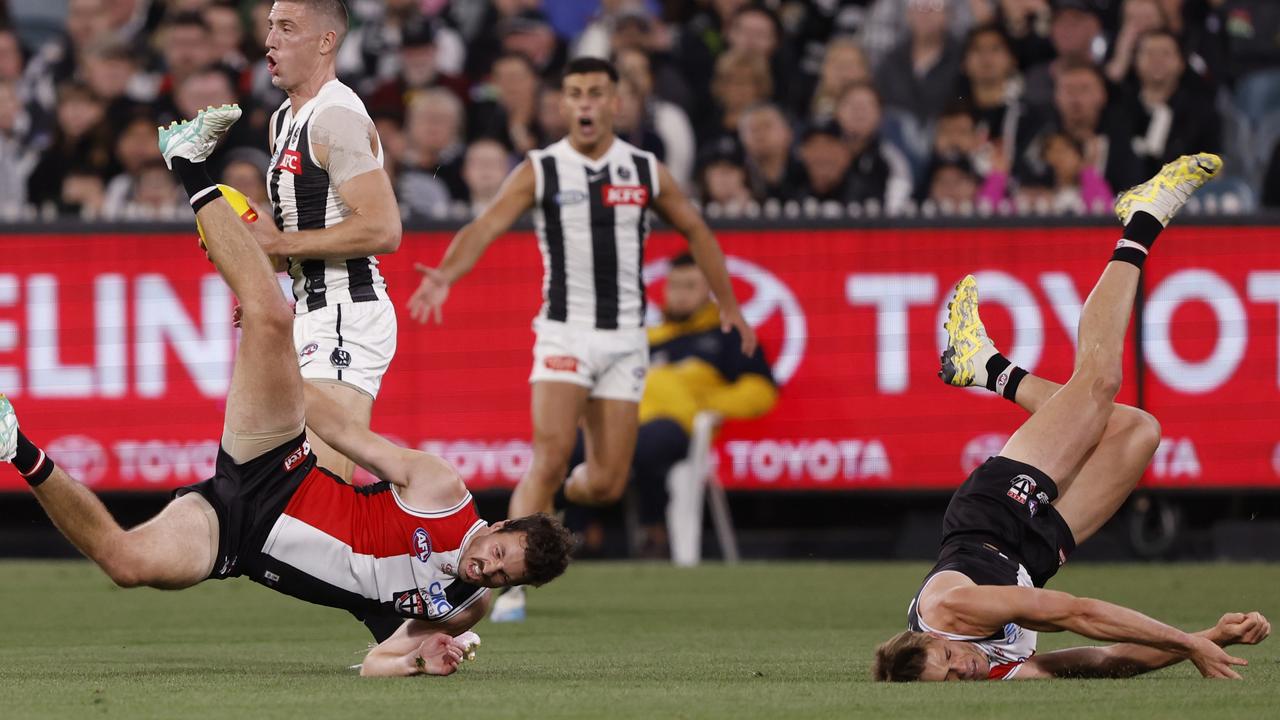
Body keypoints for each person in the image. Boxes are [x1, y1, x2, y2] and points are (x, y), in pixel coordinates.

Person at [872, 153, 1273, 682]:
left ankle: (1143, 219)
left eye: (945, 660)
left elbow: (1075, 613)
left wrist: (1183, 643)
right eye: (947, 681)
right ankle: (990, 370)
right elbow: (1103, 660)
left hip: (993, 518)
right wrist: (1209, 638)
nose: (960, 669)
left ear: (930, 640)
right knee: (1137, 431)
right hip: (1032, 553)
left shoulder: (949, 613)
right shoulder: (995, 677)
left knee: (1100, 382)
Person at [407, 57, 756, 621]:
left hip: (624, 340)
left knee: (607, 483)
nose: (586, 103)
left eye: (596, 93)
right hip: (563, 332)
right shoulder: (542, 168)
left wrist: (730, 305)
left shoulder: (644, 169)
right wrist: (447, 274)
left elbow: (695, 228)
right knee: (545, 457)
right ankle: (510, 590)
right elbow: (487, 224)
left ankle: (572, 485)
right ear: (563, 104)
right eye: (575, 94)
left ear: (615, 102)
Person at [250, 0, 404, 483]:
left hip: (347, 313)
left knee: (321, 486)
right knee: (283, 483)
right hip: (311, 311)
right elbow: (299, 236)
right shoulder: (283, 119)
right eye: (271, 26)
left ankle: (435, 514)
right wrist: (267, 276)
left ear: (326, 42)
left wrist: (283, 246)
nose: (271, 40)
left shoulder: (335, 117)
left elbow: (383, 228)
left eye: (287, 28)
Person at [630, 253, 777, 556]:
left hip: (681, 429)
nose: (680, 295)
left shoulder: (728, 337)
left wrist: (700, 403)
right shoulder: (647, 340)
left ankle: (652, 529)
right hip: (632, 422)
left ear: (710, 290)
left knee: (649, 444)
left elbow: (761, 391)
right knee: (577, 446)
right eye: (674, 286)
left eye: (690, 286)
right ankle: (573, 537)